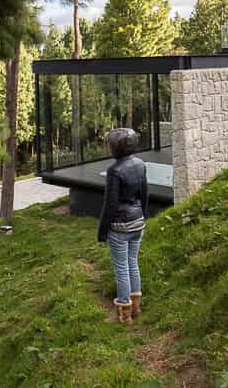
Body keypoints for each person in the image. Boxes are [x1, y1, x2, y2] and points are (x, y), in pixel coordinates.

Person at [97, 127, 149, 325]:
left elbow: (110, 204)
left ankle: (124, 314)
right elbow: (145, 193)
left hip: (120, 226)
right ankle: (136, 307)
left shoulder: (115, 170)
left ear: (117, 148)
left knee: (121, 268)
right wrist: (142, 216)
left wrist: (102, 231)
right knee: (132, 263)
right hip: (138, 223)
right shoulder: (140, 163)